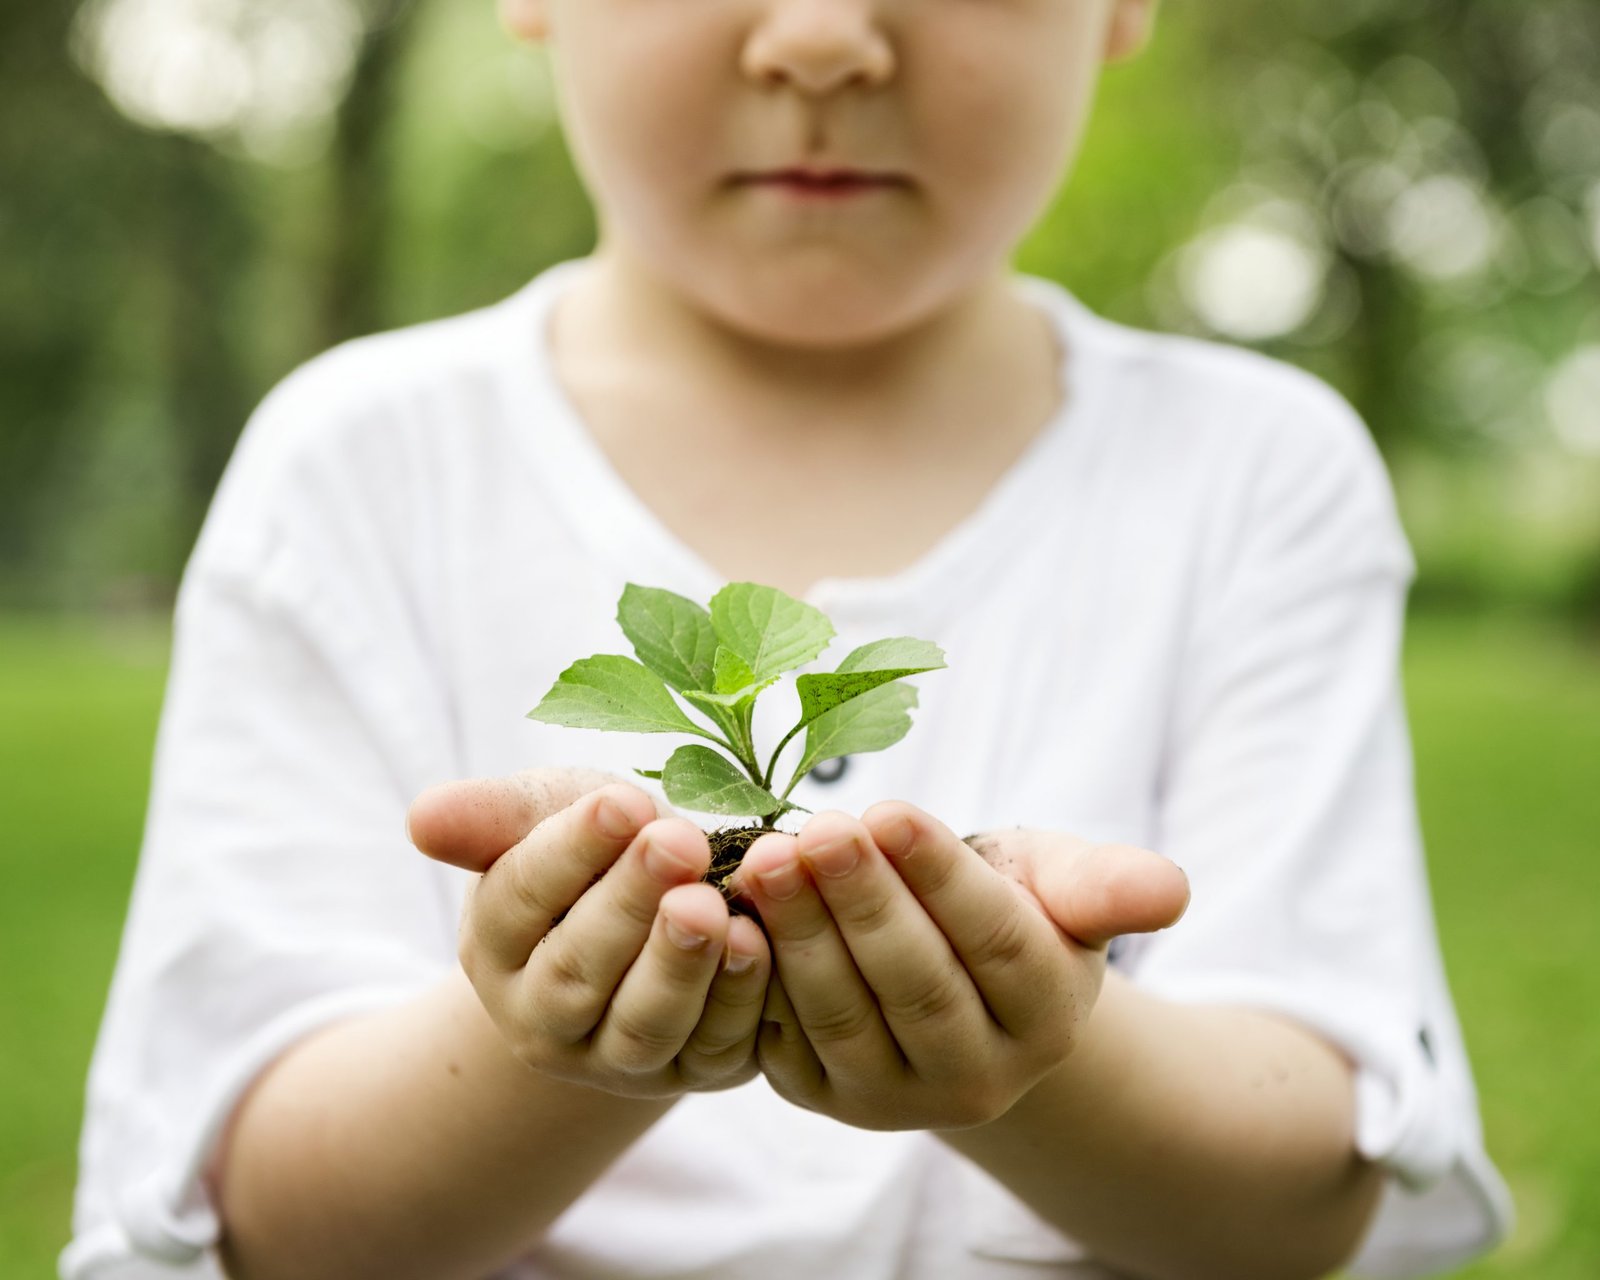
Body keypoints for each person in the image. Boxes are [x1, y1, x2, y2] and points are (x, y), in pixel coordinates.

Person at [62, 0, 1514, 1276]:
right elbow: (268, 1228)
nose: (822, 35)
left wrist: (1039, 1049)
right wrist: (554, 1041)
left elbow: (1300, 1202)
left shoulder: (1256, 471)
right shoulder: (356, 468)